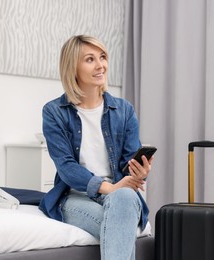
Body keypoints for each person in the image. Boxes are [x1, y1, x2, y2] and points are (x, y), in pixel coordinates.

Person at [39, 35, 153, 260]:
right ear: (73, 67)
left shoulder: (124, 110)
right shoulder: (54, 112)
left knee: (125, 200)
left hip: (120, 194)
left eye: (102, 57)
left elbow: (129, 162)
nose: (100, 65)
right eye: (90, 59)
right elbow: (66, 167)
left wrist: (140, 172)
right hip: (75, 197)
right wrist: (108, 188)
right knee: (122, 218)